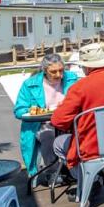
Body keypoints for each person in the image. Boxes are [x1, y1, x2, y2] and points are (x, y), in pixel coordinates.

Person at [50, 43, 104, 194]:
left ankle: (92, 180)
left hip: (91, 146)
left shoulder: (80, 87)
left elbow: (58, 121)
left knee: (58, 143)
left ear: (86, 67)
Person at [13, 53, 79, 181]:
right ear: (44, 71)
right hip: (42, 123)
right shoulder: (30, 84)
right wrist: (38, 111)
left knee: (82, 133)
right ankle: (52, 171)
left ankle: (73, 168)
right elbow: (19, 110)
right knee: (48, 136)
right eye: (53, 72)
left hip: (67, 121)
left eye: (61, 70)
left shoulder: (71, 78)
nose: (59, 75)